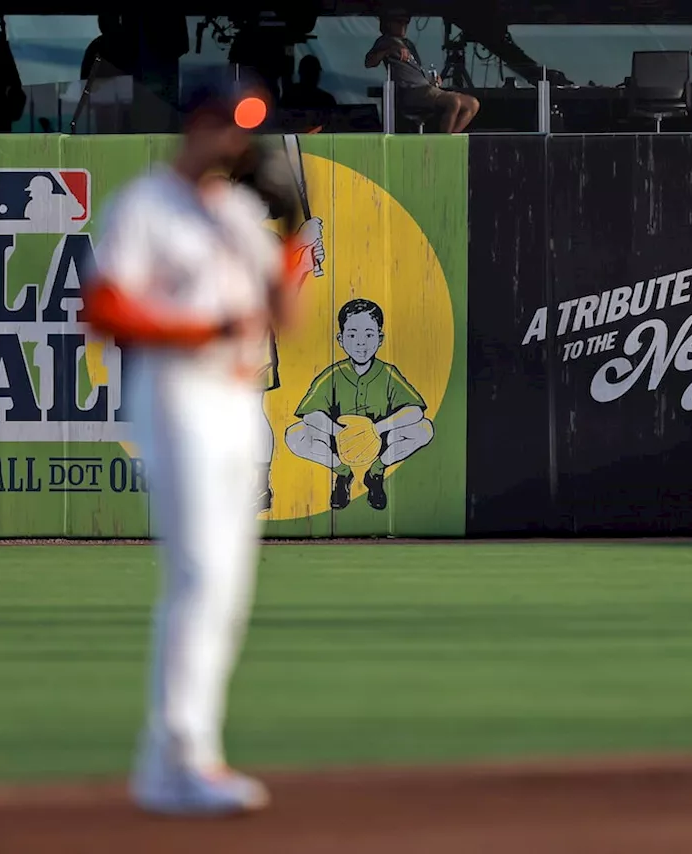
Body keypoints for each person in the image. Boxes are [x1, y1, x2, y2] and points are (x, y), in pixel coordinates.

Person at [80, 72, 318, 816]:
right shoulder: (146, 205)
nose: (236, 137)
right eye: (225, 122)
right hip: (175, 395)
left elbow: (283, 318)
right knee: (200, 575)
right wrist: (202, 330)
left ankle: (170, 764)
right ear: (195, 125)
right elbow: (106, 307)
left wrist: (287, 239)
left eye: (246, 126)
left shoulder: (239, 216)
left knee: (230, 589)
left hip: (237, 400)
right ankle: (188, 755)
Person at [284, 298, 434, 511]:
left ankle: (376, 473)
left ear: (380, 339)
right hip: (340, 442)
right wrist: (338, 432)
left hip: (380, 441)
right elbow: (310, 414)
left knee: (425, 429)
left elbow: (415, 411)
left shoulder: (387, 373)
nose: (360, 343)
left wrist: (376, 429)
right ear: (341, 339)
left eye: (369, 335)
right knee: (295, 434)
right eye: (352, 335)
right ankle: (343, 474)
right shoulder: (334, 374)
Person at [364, 11, 479, 133]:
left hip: (426, 88)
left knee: (472, 104)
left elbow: (416, 71)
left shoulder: (408, 44)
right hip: (412, 91)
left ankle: (449, 139)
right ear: (388, 24)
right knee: (453, 102)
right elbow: (369, 62)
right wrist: (388, 51)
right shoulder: (385, 41)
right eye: (399, 21)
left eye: (406, 22)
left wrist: (431, 79)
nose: (404, 25)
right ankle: (443, 143)